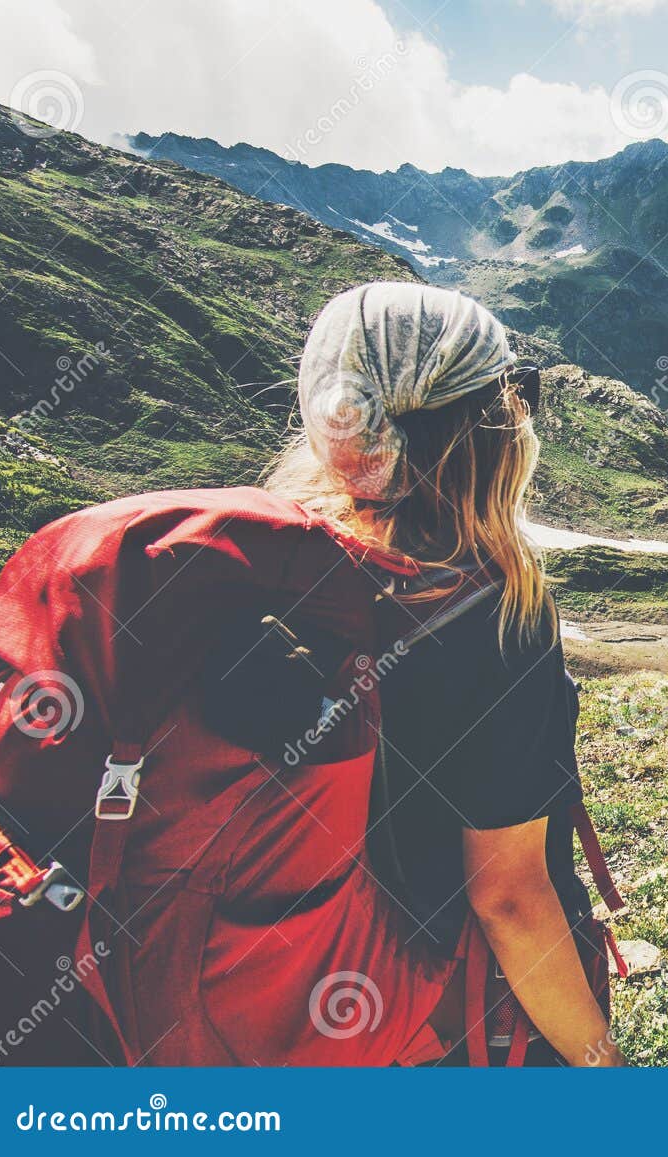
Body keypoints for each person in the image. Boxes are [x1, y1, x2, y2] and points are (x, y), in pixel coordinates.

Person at [266, 281, 623, 1067]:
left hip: (300, 997)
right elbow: (508, 897)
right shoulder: (497, 614)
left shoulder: (282, 564)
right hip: (442, 1020)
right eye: (514, 393)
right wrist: (607, 1071)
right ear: (480, 427)